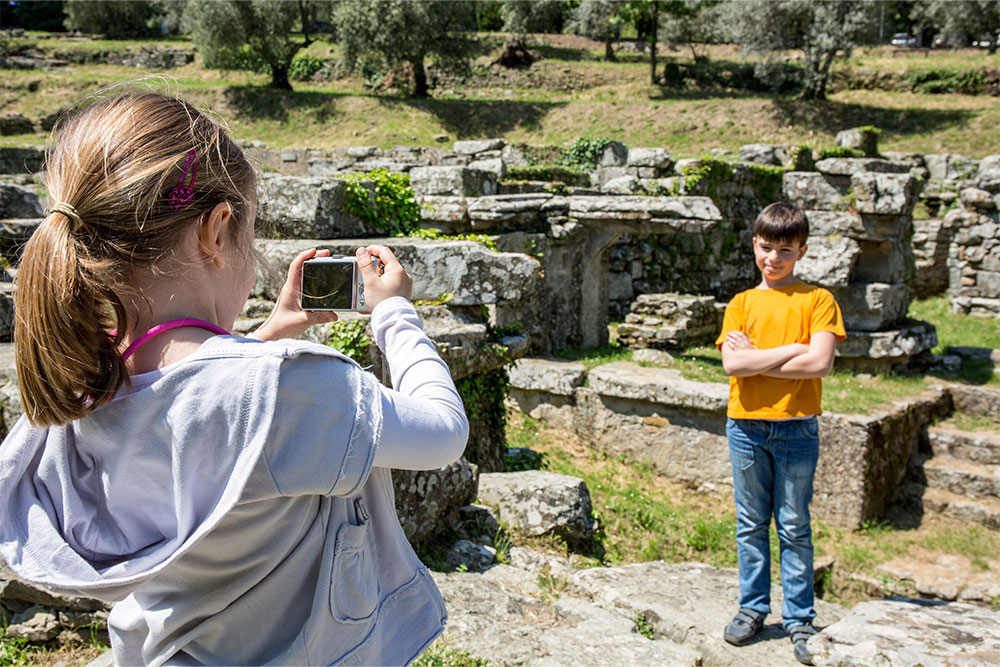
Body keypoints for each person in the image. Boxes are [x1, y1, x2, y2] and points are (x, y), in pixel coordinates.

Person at [0, 92, 469, 666]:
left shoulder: (82, 393)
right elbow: (444, 432)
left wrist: (272, 334)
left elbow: (198, 401)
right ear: (216, 231)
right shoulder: (290, 393)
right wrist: (395, 314)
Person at [715, 202, 846, 666]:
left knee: (794, 526)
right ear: (755, 245)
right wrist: (795, 349)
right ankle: (752, 609)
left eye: (785, 251)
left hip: (796, 429)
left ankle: (799, 619)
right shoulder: (742, 303)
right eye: (766, 248)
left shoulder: (818, 300)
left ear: (802, 251)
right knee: (750, 523)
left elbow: (821, 363)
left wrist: (764, 356)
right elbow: (734, 364)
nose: (774, 258)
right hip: (746, 427)